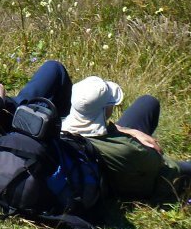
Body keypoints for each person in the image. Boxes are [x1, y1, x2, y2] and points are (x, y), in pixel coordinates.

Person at [60, 75, 191, 199]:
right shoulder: (127, 149)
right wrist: (135, 141)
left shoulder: (58, 127)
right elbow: (158, 158)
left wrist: (128, 131)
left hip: (105, 163)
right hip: (140, 183)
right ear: (104, 110)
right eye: (110, 103)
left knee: (148, 102)